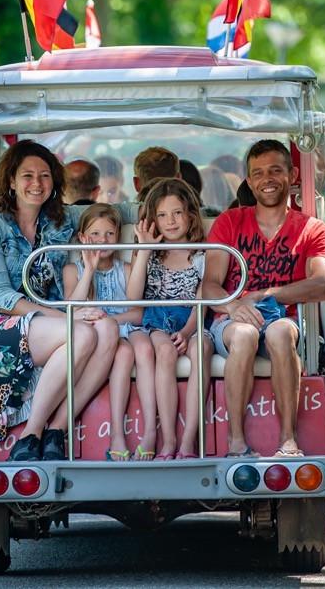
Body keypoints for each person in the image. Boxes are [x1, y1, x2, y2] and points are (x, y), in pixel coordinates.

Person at [0, 139, 119, 462]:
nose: (37, 183)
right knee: (83, 332)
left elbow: (116, 212)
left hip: (47, 322)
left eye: (45, 176)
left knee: (108, 328)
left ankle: (56, 431)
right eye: (27, 176)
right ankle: (30, 435)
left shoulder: (60, 221)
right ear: (11, 181)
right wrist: (66, 317)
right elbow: (1, 297)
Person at [204, 139, 325, 459]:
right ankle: (236, 442)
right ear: (249, 182)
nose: (267, 179)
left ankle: (288, 440)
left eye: (276, 170)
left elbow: (323, 283)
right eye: (258, 173)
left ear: (292, 175)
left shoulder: (311, 228)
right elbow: (209, 285)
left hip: (283, 317)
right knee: (245, 335)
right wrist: (235, 305)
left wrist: (268, 294)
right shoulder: (230, 222)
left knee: (280, 332)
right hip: (234, 320)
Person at [126, 177, 215, 461]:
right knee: (165, 351)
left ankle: (188, 440)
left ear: (190, 215)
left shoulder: (202, 254)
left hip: (193, 320)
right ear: (153, 220)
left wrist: (188, 332)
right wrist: (144, 249)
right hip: (157, 322)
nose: (171, 221)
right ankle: (169, 439)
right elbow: (133, 298)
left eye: (177, 213)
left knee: (202, 348)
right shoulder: (149, 254)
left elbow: (202, 301)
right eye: (162, 215)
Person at [61, 204, 147, 462]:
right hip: (93, 337)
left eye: (110, 234)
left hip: (123, 332)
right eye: (95, 234)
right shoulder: (72, 270)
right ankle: (115, 434)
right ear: (82, 238)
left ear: (118, 235)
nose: (103, 240)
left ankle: (117, 433)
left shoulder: (126, 269)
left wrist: (110, 320)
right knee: (122, 351)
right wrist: (89, 269)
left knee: (124, 352)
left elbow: (137, 314)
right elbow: (72, 309)